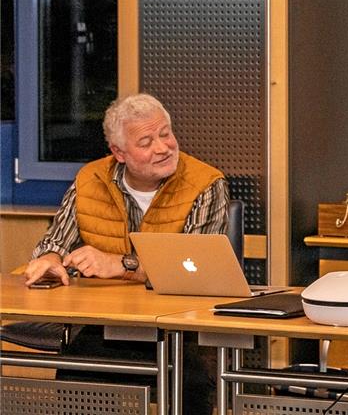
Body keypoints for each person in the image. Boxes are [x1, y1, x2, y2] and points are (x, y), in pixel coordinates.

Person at [24, 93, 229, 415]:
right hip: (102, 323)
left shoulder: (206, 182)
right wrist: (49, 259)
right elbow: (55, 241)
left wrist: (121, 265)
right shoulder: (89, 179)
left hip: (178, 328)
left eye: (166, 134)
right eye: (146, 141)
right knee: (76, 377)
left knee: (190, 382)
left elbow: (196, 267)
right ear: (119, 152)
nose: (163, 148)